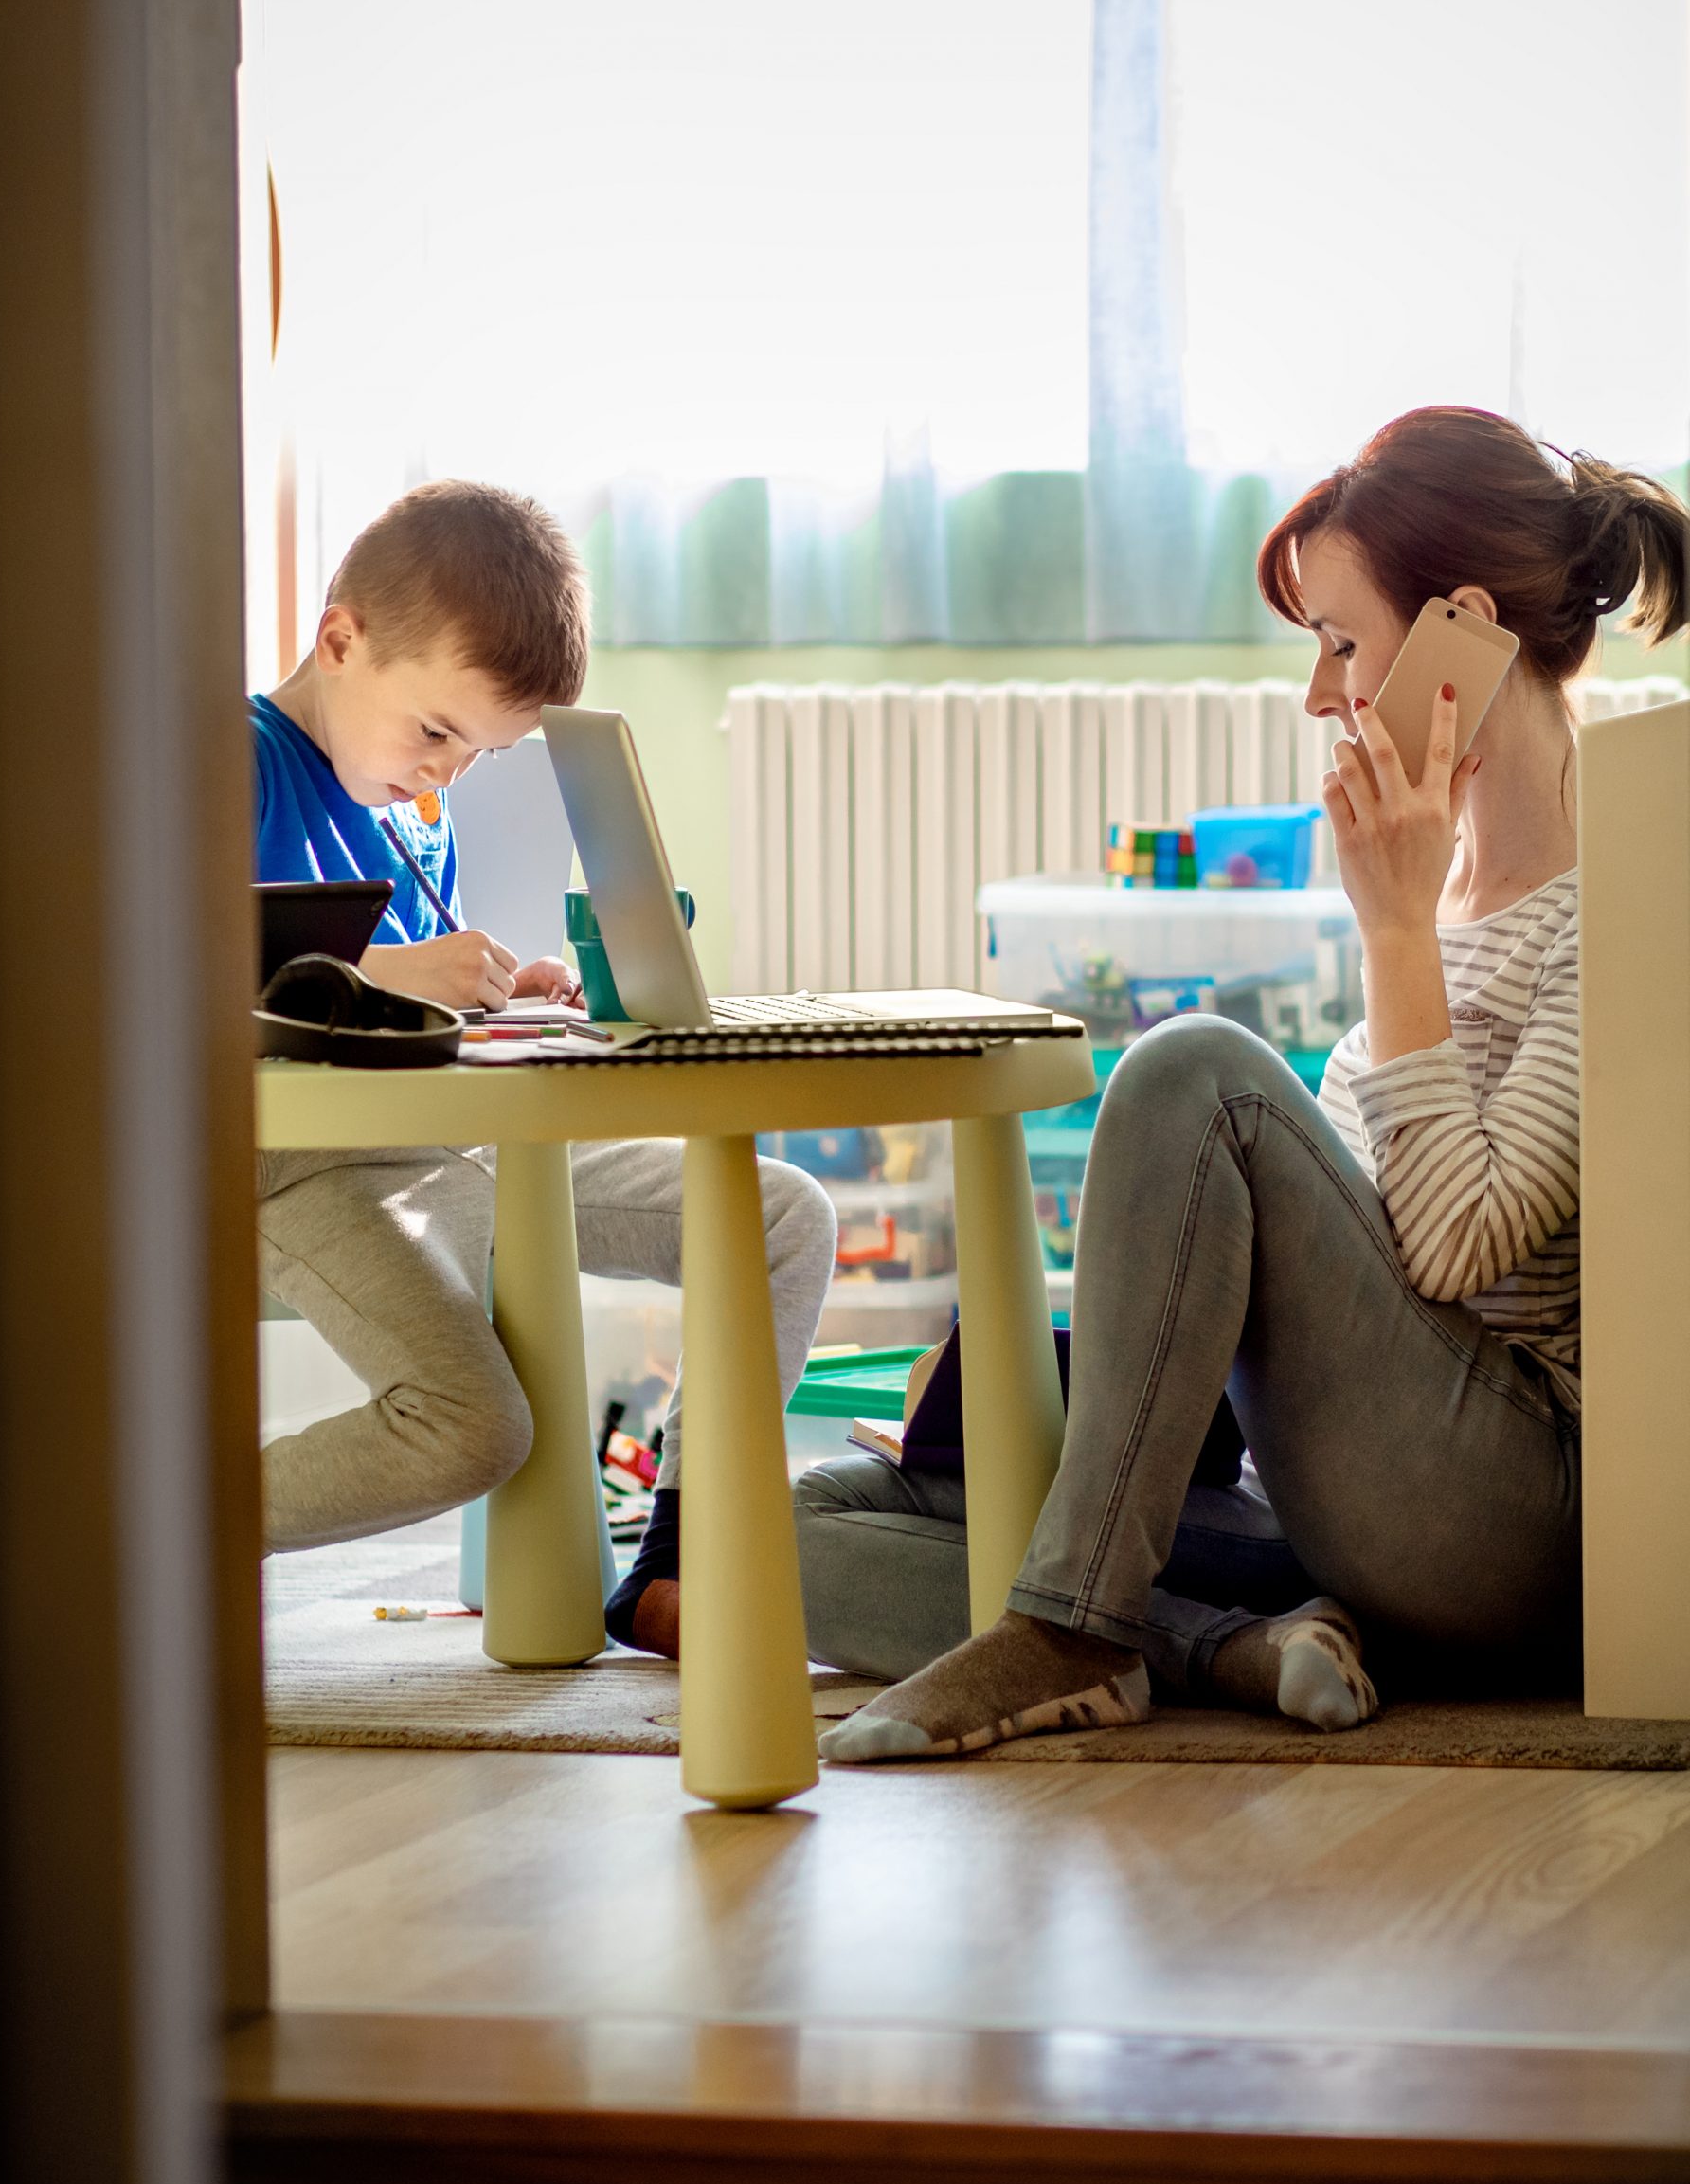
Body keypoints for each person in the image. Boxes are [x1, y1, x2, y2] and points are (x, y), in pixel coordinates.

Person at [805, 406, 1686, 1760]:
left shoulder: (1624, 898)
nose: (1324, 693)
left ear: (1468, 629)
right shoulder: (1436, 895)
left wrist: (1393, 928)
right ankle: (1220, 1649)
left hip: (1505, 1520)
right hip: (1323, 1499)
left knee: (1194, 1070)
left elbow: (1450, 1254)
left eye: (1343, 642)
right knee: (787, 1521)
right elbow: (1340, 1270)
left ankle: (1078, 1633)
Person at [254, 478, 836, 1653]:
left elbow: (417, 1018)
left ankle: (675, 1566)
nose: (444, 777)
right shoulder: (241, 764)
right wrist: (403, 976)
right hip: (294, 1167)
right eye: (434, 733)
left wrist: (497, 1000)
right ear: (338, 639)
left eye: (480, 753)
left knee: (784, 1216)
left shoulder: (416, 807)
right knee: (475, 1427)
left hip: (444, 1142)